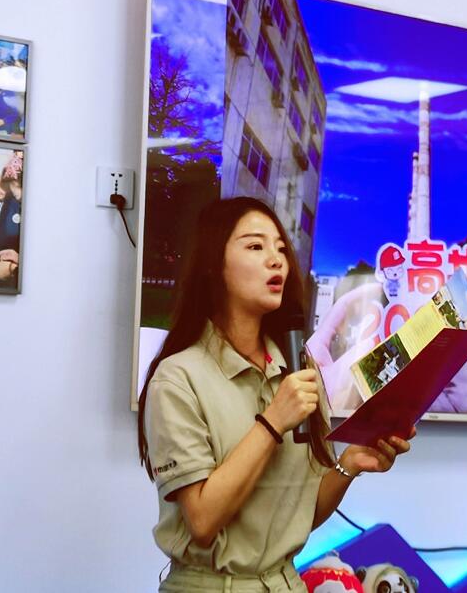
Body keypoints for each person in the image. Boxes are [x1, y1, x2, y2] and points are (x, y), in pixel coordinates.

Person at [138, 197, 413, 593]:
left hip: (286, 583)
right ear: (213, 265)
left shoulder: (297, 367)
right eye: (255, 246)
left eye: (281, 249)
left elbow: (301, 515)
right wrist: (272, 423)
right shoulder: (178, 378)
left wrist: (350, 464)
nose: (276, 260)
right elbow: (201, 521)